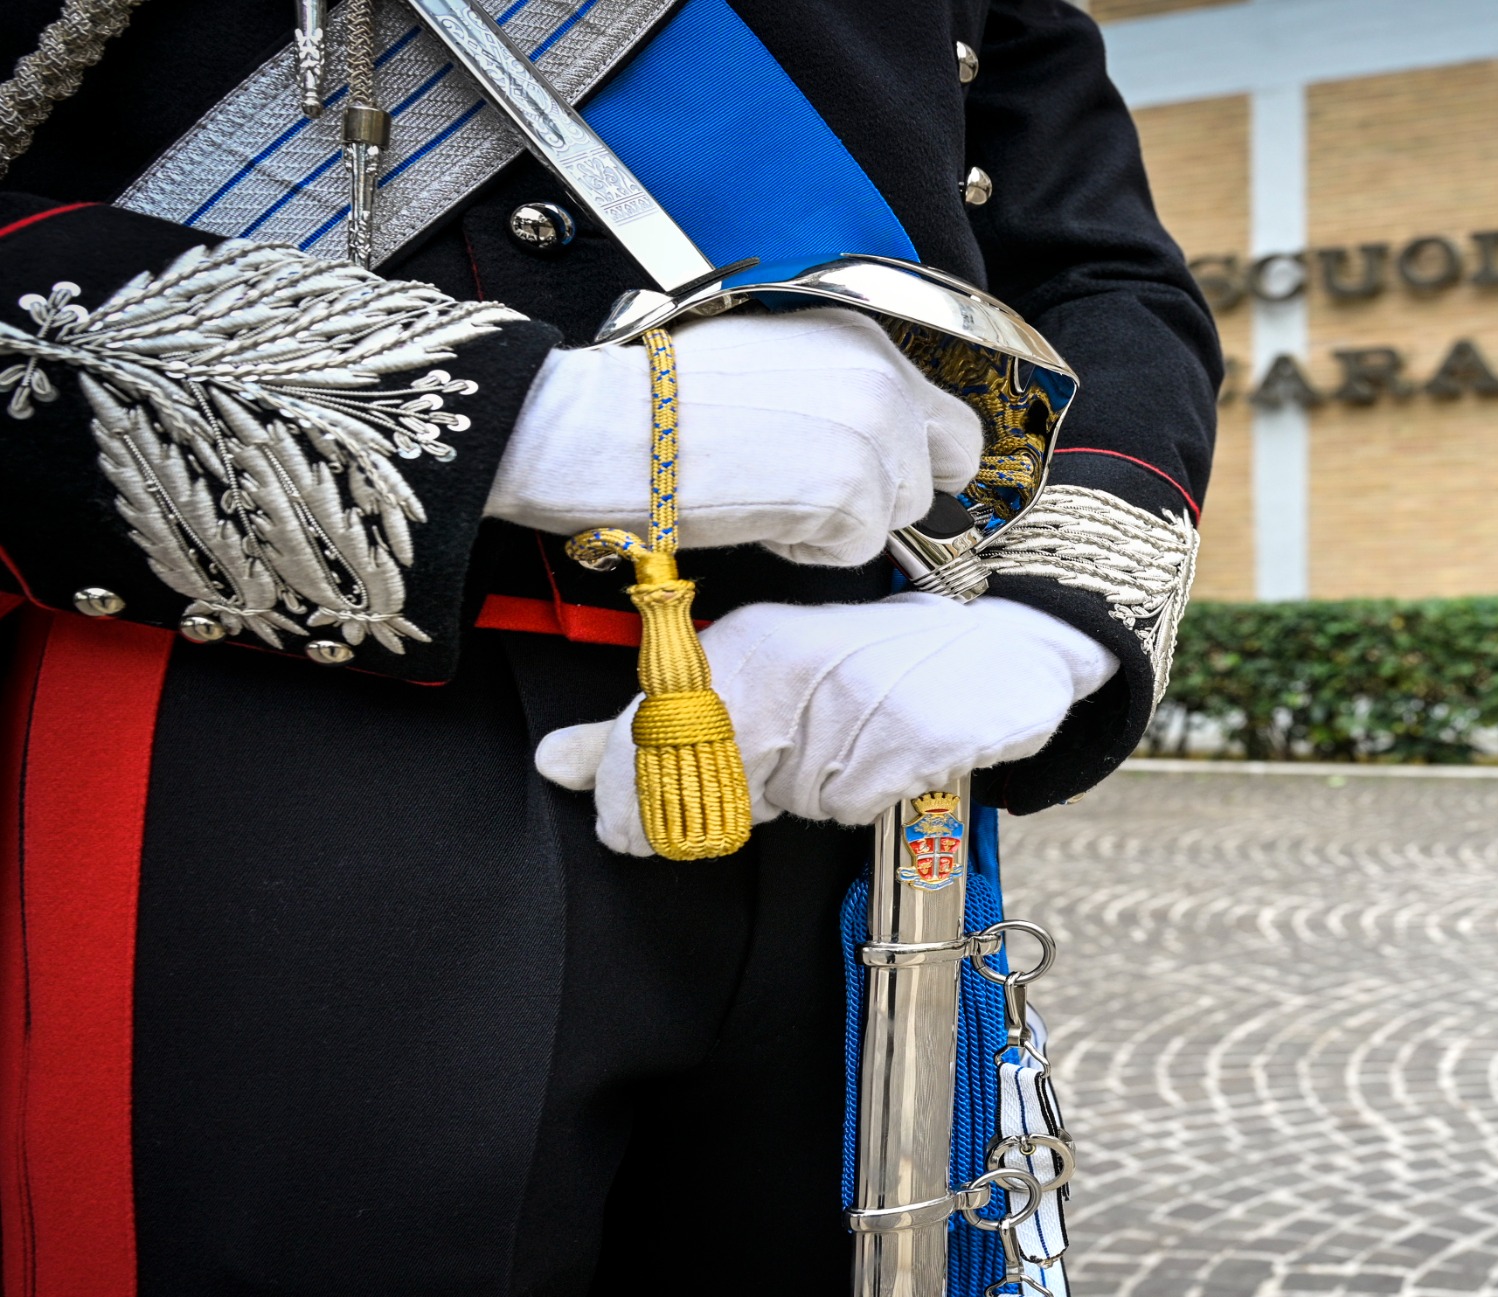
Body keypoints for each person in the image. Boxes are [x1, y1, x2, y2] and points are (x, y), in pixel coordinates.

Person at [0, 0, 1216, 1291]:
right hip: (281, 738)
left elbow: (1101, 272)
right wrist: (531, 422)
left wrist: (1050, 618)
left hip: (841, 761)